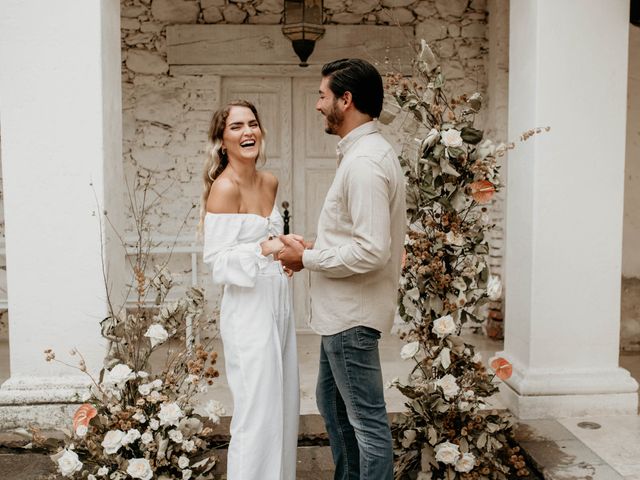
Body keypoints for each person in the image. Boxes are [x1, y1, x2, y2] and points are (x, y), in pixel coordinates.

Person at [279, 59, 406, 480]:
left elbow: (372, 251)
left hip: (352, 319)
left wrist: (307, 259)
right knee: (333, 409)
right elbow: (359, 236)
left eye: (322, 95)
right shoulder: (360, 154)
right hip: (340, 316)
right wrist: (314, 245)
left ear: (345, 100)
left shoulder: (365, 163)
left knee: (367, 425)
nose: (317, 105)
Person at [200, 100, 299, 480]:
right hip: (247, 308)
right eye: (237, 126)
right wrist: (265, 249)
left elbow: (271, 242)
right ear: (222, 140)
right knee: (256, 411)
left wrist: (288, 251)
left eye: (253, 124)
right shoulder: (224, 188)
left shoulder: (270, 181)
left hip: (278, 300)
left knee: (283, 403)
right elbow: (218, 262)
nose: (248, 132)